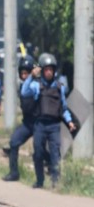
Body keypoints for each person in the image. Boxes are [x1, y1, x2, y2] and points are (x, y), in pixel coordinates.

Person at [21, 53, 76, 188]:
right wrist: (31, 76)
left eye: (51, 69)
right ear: (42, 70)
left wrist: (69, 121)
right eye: (46, 69)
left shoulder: (59, 87)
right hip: (40, 125)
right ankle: (39, 180)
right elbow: (24, 92)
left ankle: (55, 181)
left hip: (54, 125)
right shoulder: (36, 86)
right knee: (38, 152)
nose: (49, 72)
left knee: (55, 154)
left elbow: (63, 108)